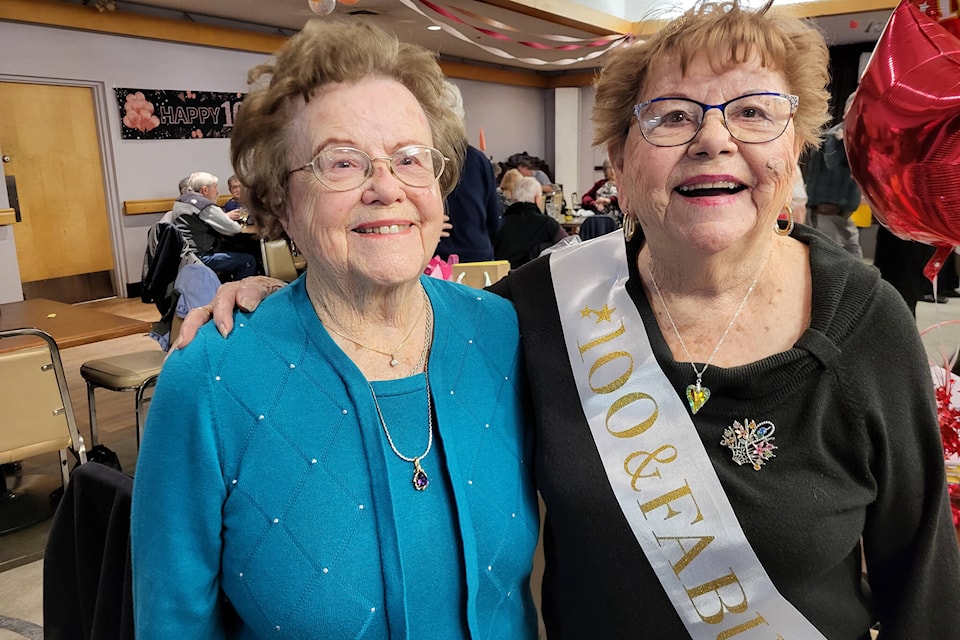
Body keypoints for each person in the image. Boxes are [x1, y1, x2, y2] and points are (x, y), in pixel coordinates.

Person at [180, 0, 960, 636]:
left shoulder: (864, 322)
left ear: (792, 153)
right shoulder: (538, 308)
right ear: (618, 164)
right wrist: (274, 297)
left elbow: (924, 577)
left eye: (755, 112)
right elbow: (387, 304)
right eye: (672, 117)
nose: (714, 138)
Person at [130, 19, 539, 639]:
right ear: (280, 201)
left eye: (410, 159)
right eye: (341, 163)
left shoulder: (501, 332)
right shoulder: (210, 377)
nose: (386, 189)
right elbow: (171, 623)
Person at [434, 81, 502, 263]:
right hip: (478, 255)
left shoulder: (424, 157)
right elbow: (494, 220)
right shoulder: (479, 159)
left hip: (437, 259)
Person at [802, 92, 863, 257]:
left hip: (842, 217)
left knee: (855, 266)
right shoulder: (835, 137)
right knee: (832, 264)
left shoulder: (855, 140)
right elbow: (835, 163)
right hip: (827, 215)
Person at [172, 171, 258, 281]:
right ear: (205, 190)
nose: (217, 192)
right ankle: (236, 295)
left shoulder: (182, 201)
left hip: (185, 255)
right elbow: (233, 229)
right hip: (200, 257)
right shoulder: (202, 205)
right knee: (248, 261)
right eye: (215, 187)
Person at [494, 176, 567, 269]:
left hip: (502, 278)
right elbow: (569, 246)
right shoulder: (547, 224)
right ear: (537, 199)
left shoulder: (500, 224)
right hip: (534, 278)